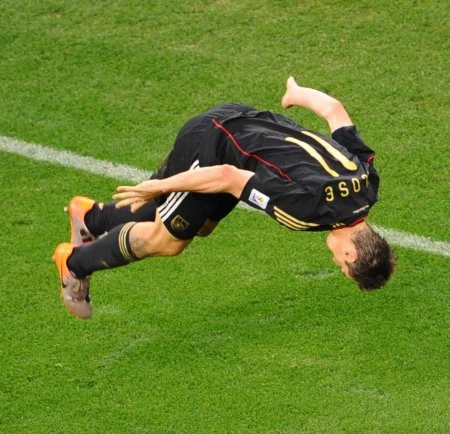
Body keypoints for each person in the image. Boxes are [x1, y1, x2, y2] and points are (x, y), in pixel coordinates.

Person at [53, 76, 396, 318]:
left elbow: (335, 111)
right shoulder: (305, 210)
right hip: (213, 144)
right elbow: (227, 178)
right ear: (351, 253)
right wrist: (162, 185)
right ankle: (74, 263)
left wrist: (296, 94)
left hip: (245, 124)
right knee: (167, 240)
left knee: (200, 225)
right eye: (342, 266)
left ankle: (90, 218)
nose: (335, 262)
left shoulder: (368, 185)